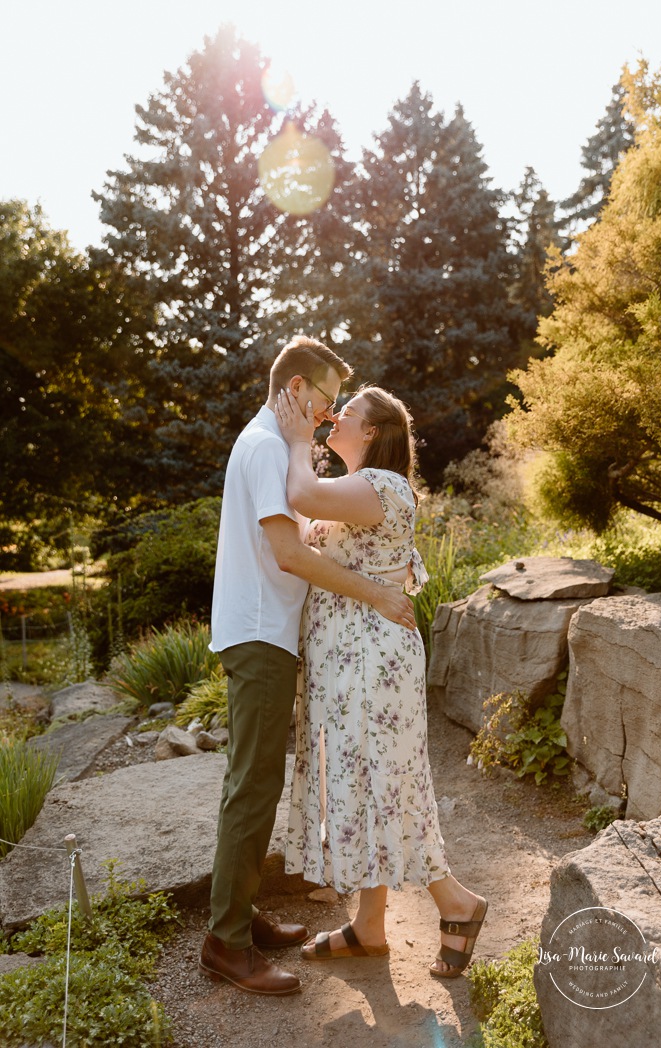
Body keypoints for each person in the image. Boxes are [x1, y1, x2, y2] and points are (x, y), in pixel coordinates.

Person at [199, 337, 417, 998]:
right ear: (295, 390)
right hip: (262, 634)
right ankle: (225, 944)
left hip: (263, 632)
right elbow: (289, 555)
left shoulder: (264, 443)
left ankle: (237, 916)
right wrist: (378, 593)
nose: (325, 419)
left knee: (250, 781)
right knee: (254, 786)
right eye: (322, 403)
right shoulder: (268, 447)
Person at [275, 383, 488, 978]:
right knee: (372, 781)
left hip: (371, 661)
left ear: (370, 432)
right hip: (352, 661)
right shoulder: (359, 489)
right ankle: (369, 927)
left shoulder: (382, 487)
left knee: (386, 783)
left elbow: (301, 493)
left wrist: (295, 439)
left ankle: (458, 904)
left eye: (344, 414)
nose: (331, 420)